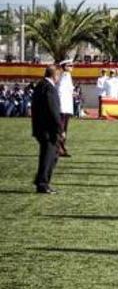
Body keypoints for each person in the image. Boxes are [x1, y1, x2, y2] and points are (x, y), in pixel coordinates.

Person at [31, 65, 63, 194]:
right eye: (58, 75)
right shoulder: (49, 88)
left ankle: (40, 179)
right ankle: (43, 183)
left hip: (41, 127)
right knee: (49, 156)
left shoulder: (40, 85)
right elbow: (53, 110)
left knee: (49, 155)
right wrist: (59, 128)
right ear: (55, 75)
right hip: (48, 129)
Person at [57, 59, 75, 157]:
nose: (72, 67)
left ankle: (62, 148)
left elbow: (69, 89)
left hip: (67, 106)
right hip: (63, 107)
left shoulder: (67, 76)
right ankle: (60, 148)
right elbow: (60, 91)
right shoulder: (63, 76)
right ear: (64, 67)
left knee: (64, 129)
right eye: (70, 65)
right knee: (61, 129)